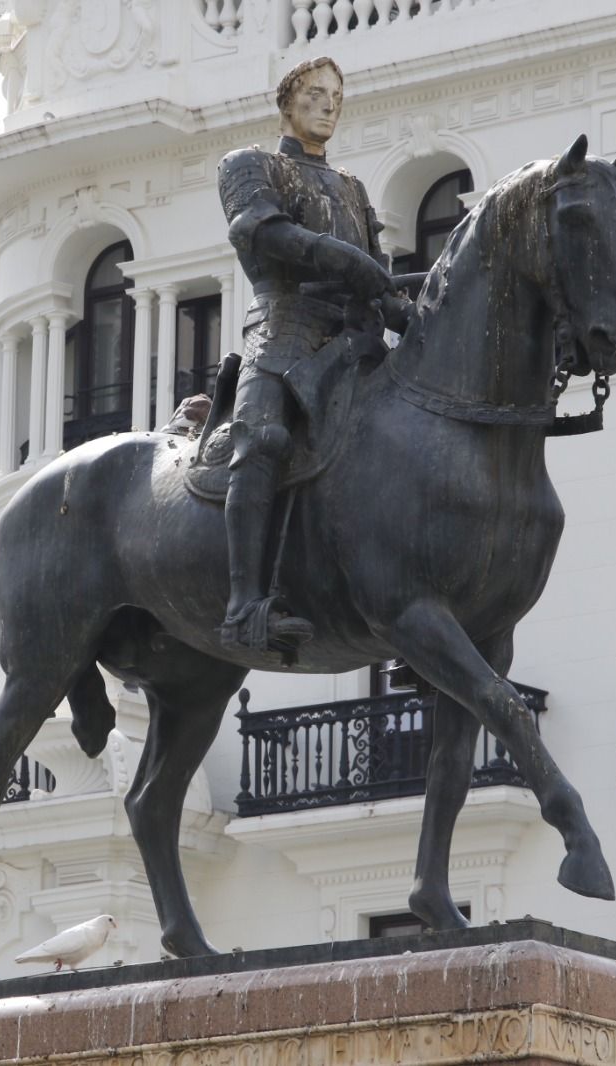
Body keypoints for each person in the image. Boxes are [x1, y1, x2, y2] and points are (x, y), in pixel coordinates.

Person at [216, 57, 396, 654]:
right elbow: (262, 233)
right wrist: (346, 261)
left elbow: (380, 279)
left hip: (354, 338)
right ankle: (243, 605)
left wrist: (410, 307)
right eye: (316, 94)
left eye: (337, 98)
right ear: (288, 102)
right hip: (285, 324)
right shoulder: (251, 166)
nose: (328, 105)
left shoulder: (352, 188)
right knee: (262, 439)